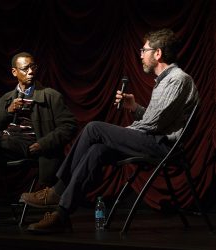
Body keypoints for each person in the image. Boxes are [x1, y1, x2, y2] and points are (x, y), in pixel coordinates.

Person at [20, 28, 199, 233]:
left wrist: (124, 131)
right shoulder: (165, 81)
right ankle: (62, 214)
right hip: (153, 139)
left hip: (163, 146)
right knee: (97, 150)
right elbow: (156, 119)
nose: (140, 55)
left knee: (94, 128)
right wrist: (135, 108)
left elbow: (153, 125)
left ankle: (57, 190)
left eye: (144, 50)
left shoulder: (177, 79)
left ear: (157, 53)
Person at [0, 52, 78, 224]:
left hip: (31, 145)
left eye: (33, 67)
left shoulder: (50, 96)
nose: (31, 72)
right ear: (14, 72)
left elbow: (69, 126)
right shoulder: (7, 98)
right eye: (25, 69)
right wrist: (7, 112)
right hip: (5, 144)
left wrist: (43, 144)